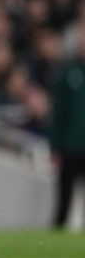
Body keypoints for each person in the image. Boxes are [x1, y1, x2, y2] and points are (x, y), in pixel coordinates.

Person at [48, 23, 85, 229]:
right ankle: (58, 231)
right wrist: (55, 146)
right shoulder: (68, 73)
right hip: (71, 146)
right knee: (64, 197)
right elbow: (58, 113)